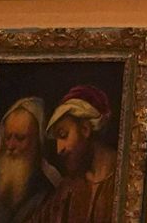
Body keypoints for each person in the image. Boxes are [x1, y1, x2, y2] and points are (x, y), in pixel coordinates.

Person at [41, 86, 120, 223]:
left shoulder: (127, 176)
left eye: (63, 135)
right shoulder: (66, 190)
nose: (59, 150)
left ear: (85, 129)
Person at [0, 96, 58, 223]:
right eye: (8, 137)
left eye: (20, 138)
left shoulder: (50, 189)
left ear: (36, 142)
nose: (10, 146)